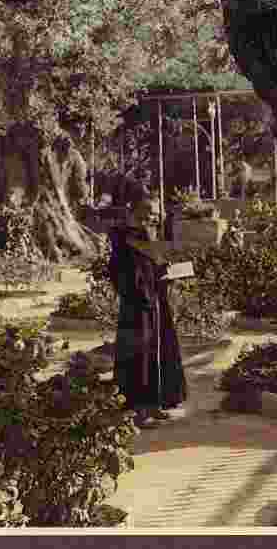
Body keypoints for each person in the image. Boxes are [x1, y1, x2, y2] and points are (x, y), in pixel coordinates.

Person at [108, 180, 187, 429]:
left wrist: (165, 272)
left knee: (158, 352)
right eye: (149, 212)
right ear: (136, 210)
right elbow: (119, 272)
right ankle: (137, 410)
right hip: (136, 306)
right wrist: (139, 291)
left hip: (155, 300)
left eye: (154, 213)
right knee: (138, 356)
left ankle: (155, 404)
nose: (153, 217)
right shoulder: (122, 238)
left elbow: (152, 264)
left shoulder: (145, 235)